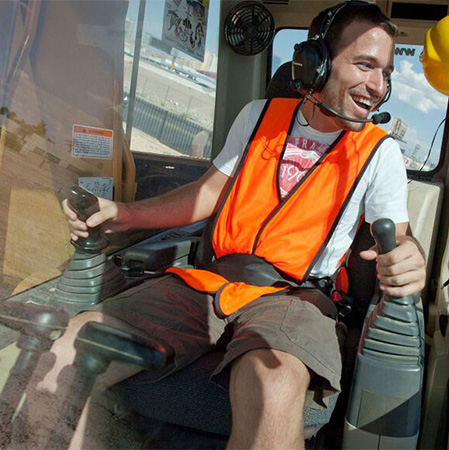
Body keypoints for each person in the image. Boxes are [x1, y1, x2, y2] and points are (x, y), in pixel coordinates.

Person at [26, 2, 426, 448]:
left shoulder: (380, 152)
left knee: (272, 384)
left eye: (386, 73)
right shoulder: (258, 116)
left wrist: (410, 258)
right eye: (366, 65)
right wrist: (124, 214)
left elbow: (399, 241)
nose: (378, 86)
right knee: (66, 352)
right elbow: (208, 193)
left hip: (296, 298)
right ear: (316, 62)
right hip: (205, 282)